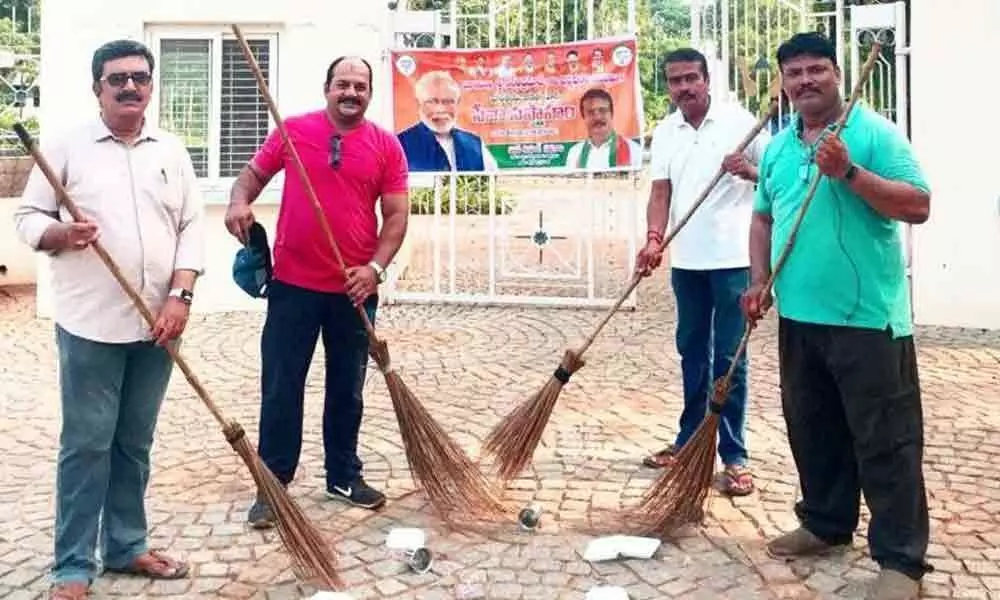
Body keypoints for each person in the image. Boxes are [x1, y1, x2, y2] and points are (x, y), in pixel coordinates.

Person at [13, 39, 204, 599]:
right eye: (116, 78)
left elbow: (191, 227)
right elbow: (28, 217)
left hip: (156, 325)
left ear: (151, 85)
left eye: (139, 77)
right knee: (87, 444)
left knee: (133, 442)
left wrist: (181, 296)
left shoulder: (171, 149)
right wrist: (59, 234)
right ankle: (72, 565)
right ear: (97, 87)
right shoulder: (67, 147)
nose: (129, 86)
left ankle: (125, 544)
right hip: (90, 324)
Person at [744, 32, 931, 600]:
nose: (805, 81)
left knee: (886, 440)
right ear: (784, 82)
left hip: (868, 320)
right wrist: (758, 281)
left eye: (816, 69)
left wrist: (849, 172)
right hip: (800, 317)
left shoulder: (872, 133)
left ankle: (901, 560)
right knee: (813, 428)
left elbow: (917, 205)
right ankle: (826, 522)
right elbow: (762, 219)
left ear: (837, 72)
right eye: (794, 72)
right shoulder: (778, 147)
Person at [225, 56, 410, 527]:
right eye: (343, 84)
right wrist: (238, 203)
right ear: (326, 87)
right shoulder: (293, 131)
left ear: (370, 93)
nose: (351, 92)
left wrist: (375, 269)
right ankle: (273, 485)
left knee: (347, 388)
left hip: (354, 291)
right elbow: (250, 178)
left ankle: (343, 475)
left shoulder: (385, 146)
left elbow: (396, 216)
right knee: (282, 386)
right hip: (291, 286)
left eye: (360, 86)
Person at [635, 47, 770, 497]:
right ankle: (688, 441)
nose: (684, 88)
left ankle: (734, 455)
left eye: (691, 78)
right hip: (687, 261)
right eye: (675, 81)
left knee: (731, 358)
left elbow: (776, 179)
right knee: (692, 351)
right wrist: (655, 237)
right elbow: (660, 193)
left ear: (707, 79)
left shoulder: (740, 122)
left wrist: (747, 169)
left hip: (733, 260)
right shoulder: (666, 131)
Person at [396, 70, 496, 172]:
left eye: (448, 102)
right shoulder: (399, 145)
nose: (441, 109)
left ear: (458, 103)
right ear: (418, 104)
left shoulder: (475, 144)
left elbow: (492, 182)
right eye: (432, 102)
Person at [564, 87, 643, 171]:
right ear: (584, 117)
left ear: (611, 114)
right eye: (590, 112)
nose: (597, 117)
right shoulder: (575, 153)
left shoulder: (633, 150)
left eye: (603, 110)